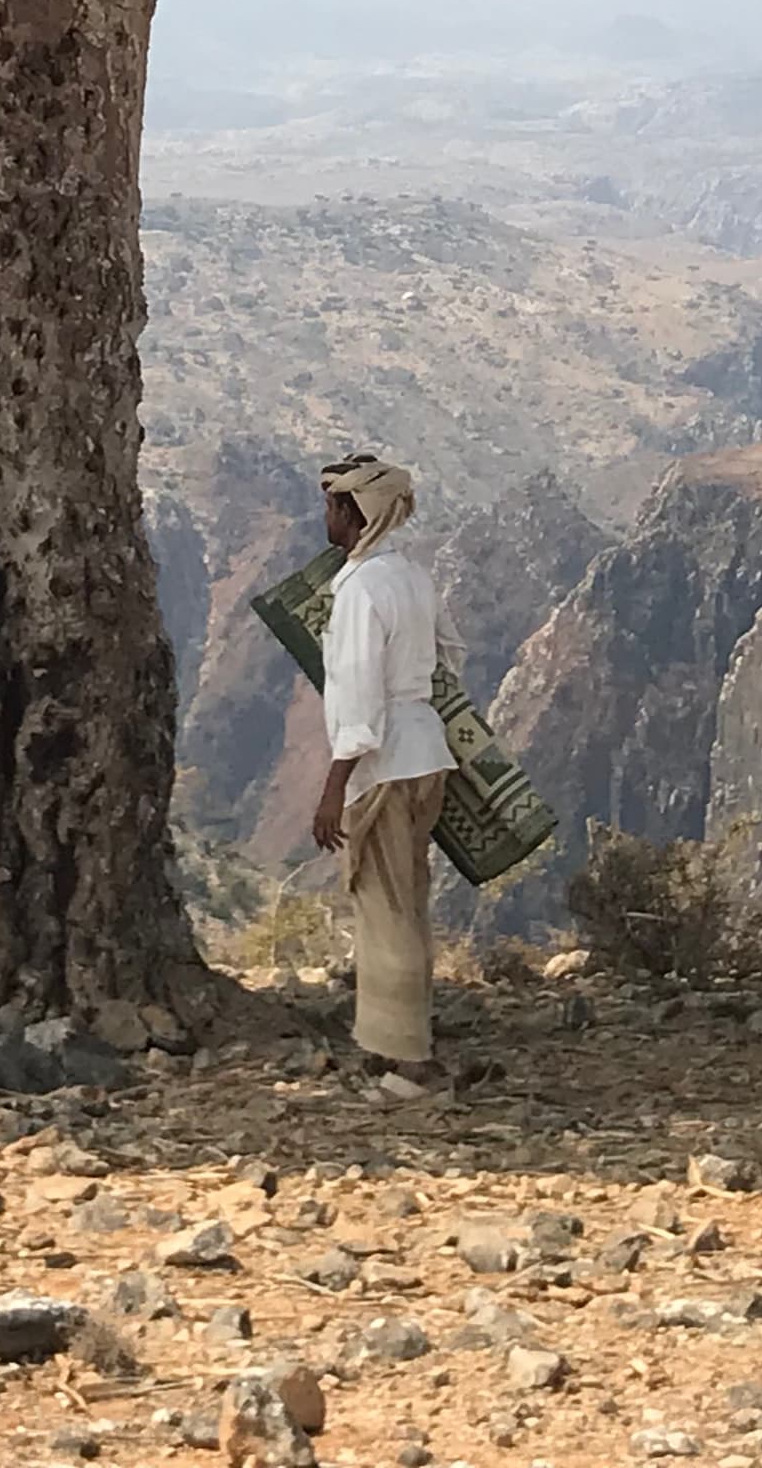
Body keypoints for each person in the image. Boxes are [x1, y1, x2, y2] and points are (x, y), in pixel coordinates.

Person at [309, 451, 452, 1090]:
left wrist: (334, 785)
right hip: (425, 751)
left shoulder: (363, 588)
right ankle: (385, 1043)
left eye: (335, 505)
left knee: (388, 910)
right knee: (404, 903)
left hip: (385, 762)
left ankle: (412, 1064)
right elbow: (452, 652)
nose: (328, 517)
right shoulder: (411, 578)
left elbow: (361, 695)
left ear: (354, 511)